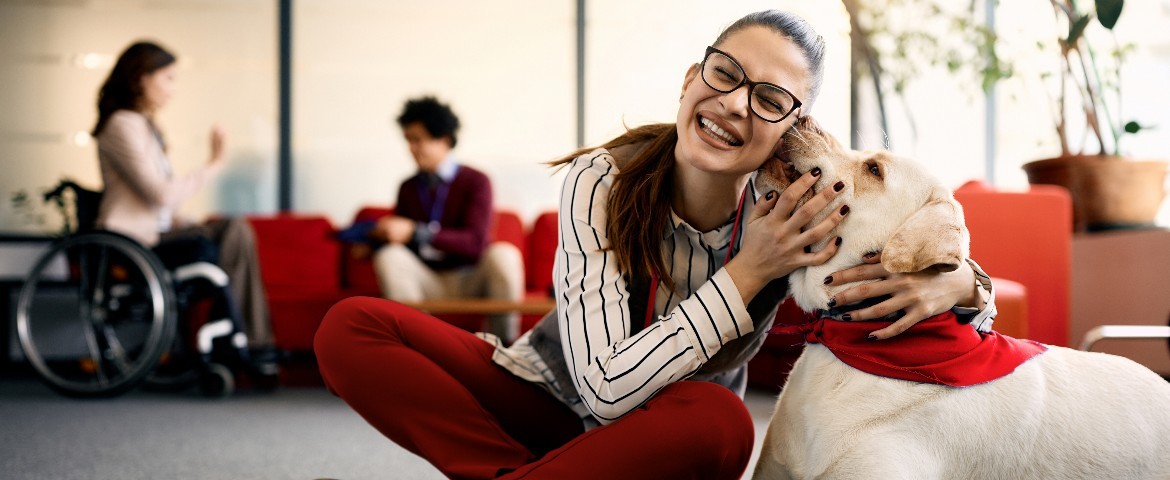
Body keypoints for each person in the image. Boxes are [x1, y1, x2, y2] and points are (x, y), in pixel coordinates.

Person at [315, 10, 995, 479]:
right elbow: (603, 390)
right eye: (725, 74)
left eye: (768, 99)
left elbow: (901, 240)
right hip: (548, 398)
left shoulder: (792, 209)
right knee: (353, 326)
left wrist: (963, 283)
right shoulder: (602, 179)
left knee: (723, 421)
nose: (735, 104)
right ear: (690, 80)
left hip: (666, 437)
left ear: (790, 128)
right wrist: (749, 270)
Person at [92, 40, 278, 375]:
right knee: (232, 232)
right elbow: (159, 194)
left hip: (158, 232)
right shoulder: (122, 124)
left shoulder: (146, 126)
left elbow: (161, 203)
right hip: (134, 243)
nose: (173, 89)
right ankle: (245, 343)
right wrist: (214, 164)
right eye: (168, 78)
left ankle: (244, 340)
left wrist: (183, 219)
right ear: (141, 78)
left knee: (235, 230)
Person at [368, 96, 524, 342]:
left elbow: (475, 243)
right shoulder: (408, 187)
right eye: (408, 140)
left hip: (470, 277)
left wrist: (416, 232)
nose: (411, 148)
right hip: (427, 278)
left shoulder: (476, 181)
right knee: (389, 256)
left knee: (505, 254)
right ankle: (418, 347)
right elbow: (403, 245)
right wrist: (377, 240)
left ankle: (505, 348)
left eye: (418, 139)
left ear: (444, 139)